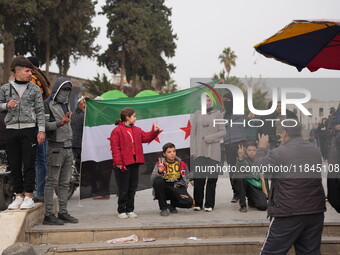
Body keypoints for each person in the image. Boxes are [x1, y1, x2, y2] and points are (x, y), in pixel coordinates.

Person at [255, 122, 326, 255]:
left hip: (288, 212)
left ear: (285, 132)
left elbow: (260, 166)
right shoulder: (315, 150)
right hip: (314, 211)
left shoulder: (279, 152)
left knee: (271, 252)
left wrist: (262, 147)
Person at [0, 56, 45, 209]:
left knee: (29, 164)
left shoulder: (35, 88)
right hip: (11, 131)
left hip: (29, 130)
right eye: (27, 71)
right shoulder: (5, 88)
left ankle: (29, 196)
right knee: (14, 164)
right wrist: (6, 105)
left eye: (31, 71)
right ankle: (18, 196)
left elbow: (40, 111)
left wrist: (41, 131)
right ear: (17, 71)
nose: (30, 74)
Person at [43, 77, 84, 225]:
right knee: (52, 181)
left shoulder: (66, 105)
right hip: (55, 147)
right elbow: (44, 125)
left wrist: (78, 111)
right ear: (57, 89)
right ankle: (48, 214)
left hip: (68, 148)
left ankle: (63, 212)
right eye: (64, 89)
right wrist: (60, 123)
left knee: (65, 183)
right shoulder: (47, 104)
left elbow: (70, 121)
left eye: (68, 90)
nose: (66, 93)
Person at [109, 107, 159, 219]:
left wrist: (154, 132)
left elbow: (146, 138)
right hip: (123, 164)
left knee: (132, 187)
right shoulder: (117, 131)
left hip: (135, 162)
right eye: (134, 116)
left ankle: (130, 209)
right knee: (123, 187)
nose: (135, 118)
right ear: (127, 117)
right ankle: (121, 210)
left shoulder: (137, 130)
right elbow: (115, 148)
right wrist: (118, 162)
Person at [191, 95, 225, 212]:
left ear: (212, 102)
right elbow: (193, 134)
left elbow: (223, 132)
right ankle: (198, 203)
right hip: (199, 152)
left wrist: (209, 138)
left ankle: (209, 204)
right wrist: (193, 151)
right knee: (199, 179)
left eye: (209, 100)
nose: (207, 102)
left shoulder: (218, 114)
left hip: (213, 151)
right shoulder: (197, 114)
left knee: (211, 179)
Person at [27, 56, 51, 203]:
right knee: (42, 159)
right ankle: (41, 190)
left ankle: (39, 191)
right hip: (42, 121)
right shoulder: (42, 78)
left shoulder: (34, 79)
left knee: (38, 160)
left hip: (35, 121)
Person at [151, 143, 193, 216]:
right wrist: (159, 171)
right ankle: (163, 208)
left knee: (189, 203)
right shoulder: (160, 163)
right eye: (169, 152)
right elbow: (152, 180)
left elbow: (187, 176)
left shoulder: (181, 163)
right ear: (164, 154)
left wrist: (183, 184)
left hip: (177, 186)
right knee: (158, 181)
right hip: (165, 187)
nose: (172, 154)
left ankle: (172, 205)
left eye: (174, 151)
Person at [223, 91, 247, 203]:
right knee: (232, 171)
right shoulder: (223, 115)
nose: (225, 102)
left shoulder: (241, 114)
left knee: (241, 169)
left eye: (228, 100)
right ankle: (236, 193)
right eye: (224, 100)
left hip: (239, 145)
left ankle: (245, 192)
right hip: (228, 146)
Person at [235, 141, 268, 213]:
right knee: (240, 177)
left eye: (254, 150)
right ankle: (243, 205)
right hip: (246, 185)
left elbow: (264, 176)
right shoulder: (243, 160)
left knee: (263, 206)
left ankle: (252, 200)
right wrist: (240, 158)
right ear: (245, 151)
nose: (251, 152)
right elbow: (237, 171)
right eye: (249, 150)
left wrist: (266, 193)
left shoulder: (260, 160)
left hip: (256, 185)